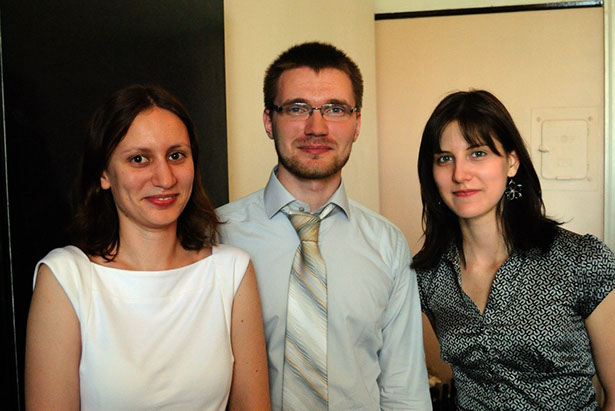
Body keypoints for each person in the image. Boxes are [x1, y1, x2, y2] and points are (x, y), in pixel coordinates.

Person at [25, 84, 270, 410]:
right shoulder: (66, 278)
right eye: (139, 159)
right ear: (104, 174)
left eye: (176, 155)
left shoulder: (232, 271)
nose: (165, 178)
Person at [216, 42, 431, 410]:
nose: (316, 128)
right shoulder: (217, 236)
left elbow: (403, 389)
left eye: (335, 109)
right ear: (269, 121)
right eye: (297, 108)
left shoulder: (388, 244)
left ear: (357, 123)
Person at [413, 89, 615, 409]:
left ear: (511, 162)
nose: (460, 174)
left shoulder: (581, 260)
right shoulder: (429, 276)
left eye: (478, 153)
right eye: (445, 158)